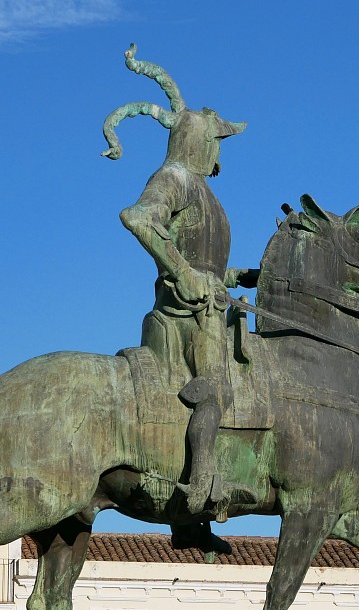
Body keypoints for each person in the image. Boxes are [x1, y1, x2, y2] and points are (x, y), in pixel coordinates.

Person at [102, 46, 250, 518]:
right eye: (217, 142)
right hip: (183, 314)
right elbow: (138, 217)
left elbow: (204, 263)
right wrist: (184, 274)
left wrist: (238, 276)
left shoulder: (203, 191)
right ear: (201, 141)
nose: (219, 153)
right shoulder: (175, 177)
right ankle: (202, 486)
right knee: (215, 388)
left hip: (207, 308)